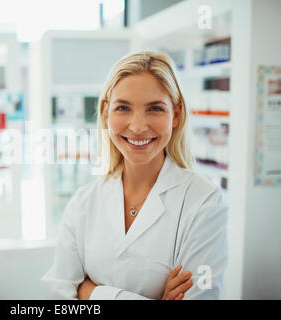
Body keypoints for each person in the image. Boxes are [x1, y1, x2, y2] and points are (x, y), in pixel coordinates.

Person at [41, 51, 228, 300]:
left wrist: (91, 292)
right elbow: (57, 295)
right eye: (123, 108)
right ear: (106, 113)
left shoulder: (204, 202)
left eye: (155, 109)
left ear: (177, 114)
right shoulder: (83, 202)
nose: (138, 126)